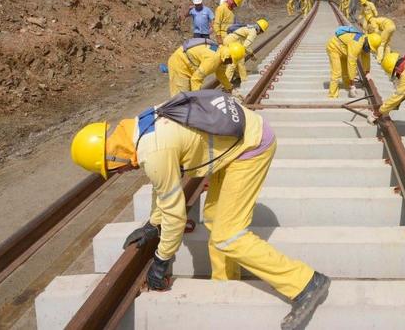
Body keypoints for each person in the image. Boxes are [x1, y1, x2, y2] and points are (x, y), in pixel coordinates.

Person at [69, 92, 331, 330]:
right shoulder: (139, 127)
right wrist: (152, 224)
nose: (120, 173)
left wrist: (161, 261)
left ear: (112, 156)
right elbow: (163, 187)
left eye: (113, 170)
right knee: (215, 219)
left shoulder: (154, 151)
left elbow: (175, 214)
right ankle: (225, 286)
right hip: (235, 143)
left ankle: (305, 283)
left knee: (228, 236)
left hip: (251, 147)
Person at [167, 39, 245, 96]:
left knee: (189, 95)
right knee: (181, 96)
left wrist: (230, 89)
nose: (230, 63)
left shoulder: (222, 55)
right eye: (231, 61)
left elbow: (221, 75)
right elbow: (196, 79)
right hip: (179, 63)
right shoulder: (214, 59)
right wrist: (198, 98)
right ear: (228, 56)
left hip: (188, 64)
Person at [326, 28, 381, 98]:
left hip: (344, 50)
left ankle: (347, 85)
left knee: (345, 70)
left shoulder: (365, 42)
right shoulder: (357, 43)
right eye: (369, 48)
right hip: (334, 48)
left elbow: (366, 57)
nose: (369, 49)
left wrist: (367, 72)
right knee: (337, 72)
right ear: (368, 43)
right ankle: (332, 95)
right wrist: (352, 84)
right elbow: (351, 63)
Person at [224, 19, 269, 91]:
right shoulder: (253, 32)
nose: (260, 34)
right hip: (233, 43)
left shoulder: (250, 28)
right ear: (260, 30)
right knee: (234, 62)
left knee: (240, 61)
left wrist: (251, 54)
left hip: (230, 40)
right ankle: (226, 85)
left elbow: (243, 43)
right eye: (262, 32)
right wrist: (251, 54)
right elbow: (245, 46)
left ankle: (242, 78)